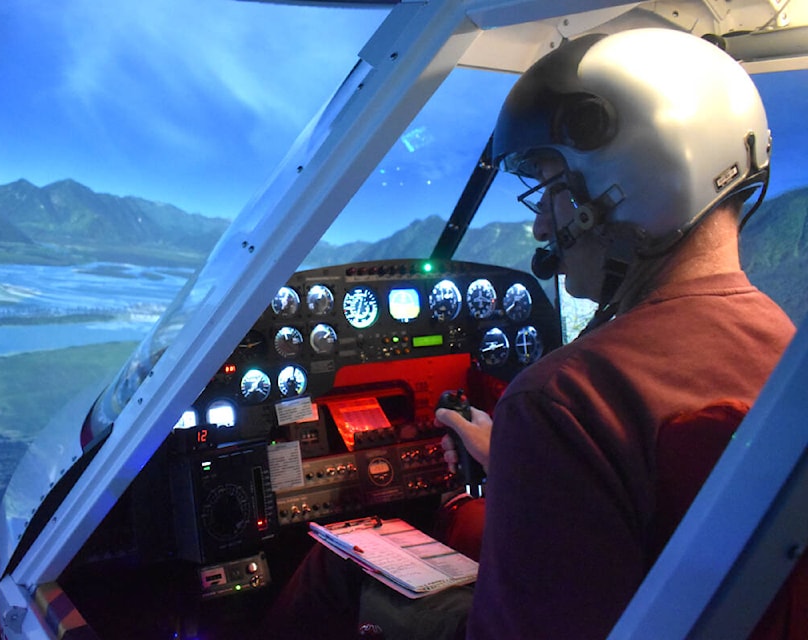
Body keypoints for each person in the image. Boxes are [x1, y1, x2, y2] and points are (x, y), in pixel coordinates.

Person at [259, 28, 796, 640]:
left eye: (551, 192)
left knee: (342, 559)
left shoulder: (563, 401)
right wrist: (514, 455)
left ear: (636, 179)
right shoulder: (786, 350)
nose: (542, 227)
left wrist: (539, 437)